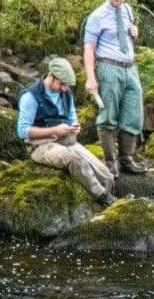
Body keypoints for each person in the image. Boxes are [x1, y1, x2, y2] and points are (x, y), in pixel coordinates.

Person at [16, 58, 116, 208]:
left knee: (107, 176)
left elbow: (72, 118)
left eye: (66, 85)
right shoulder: (30, 97)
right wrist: (55, 130)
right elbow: (22, 131)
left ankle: (105, 203)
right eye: (62, 84)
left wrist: (75, 126)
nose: (64, 88)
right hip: (41, 146)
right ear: (51, 76)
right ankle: (103, 197)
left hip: (68, 141)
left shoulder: (66, 93)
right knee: (75, 161)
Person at [83, 0, 148, 178]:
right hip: (108, 67)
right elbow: (88, 49)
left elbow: (129, 38)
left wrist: (135, 34)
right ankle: (110, 163)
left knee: (133, 111)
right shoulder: (97, 16)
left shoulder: (127, 11)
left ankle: (127, 158)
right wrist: (91, 77)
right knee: (108, 114)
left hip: (130, 67)